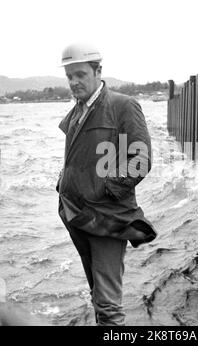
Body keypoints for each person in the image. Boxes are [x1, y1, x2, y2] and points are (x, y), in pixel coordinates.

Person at [56, 42, 157, 326]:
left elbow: (140, 160)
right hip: (76, 214)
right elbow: (81, 159)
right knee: (97, 294)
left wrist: (104, 191)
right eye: (69, 76)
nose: (74, 82)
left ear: (98, 71)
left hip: (106, 216)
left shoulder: (122, 106)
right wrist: (64, 183)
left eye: (80, 74)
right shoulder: (79, 109)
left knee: (109, 305)